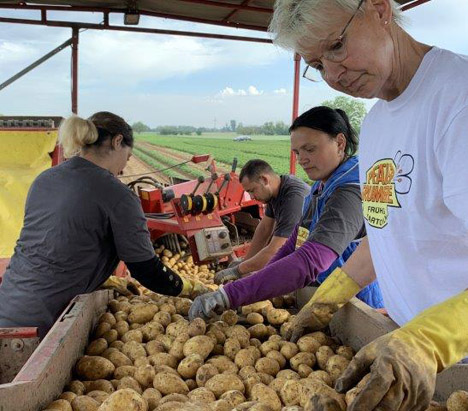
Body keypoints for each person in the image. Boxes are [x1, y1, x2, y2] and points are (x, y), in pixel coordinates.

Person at [268, 0, 468, 409]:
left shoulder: (458, 100)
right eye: (318, 64)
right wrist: (329, 297)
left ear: (378, 10)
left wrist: (431, 340)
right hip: (399, 348)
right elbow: (387, 233)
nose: (334, 76)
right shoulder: (377, 122)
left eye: (337, 46)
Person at [0, 112, 206, 338]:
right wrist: (190, 288)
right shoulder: (117, 195)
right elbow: (146, 270)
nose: (124, 169)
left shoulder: (44, 179)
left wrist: (105, 278)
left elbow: (54, 246)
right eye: (127, 158)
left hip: (7, 306)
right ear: (118, 141)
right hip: (44, 325)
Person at [189, 106, 384, 321]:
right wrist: (257, 279)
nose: (302, 160)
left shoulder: (350, 191)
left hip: (356, 305)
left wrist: (231, 294)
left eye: (310, 149)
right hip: (325, 298)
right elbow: (293, 245)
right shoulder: (320, 188)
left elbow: (310, 261)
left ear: (339, 143)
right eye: (297, 152)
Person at [215, 159, 309, 284]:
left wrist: (239, 270)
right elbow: (264, 229)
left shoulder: (293, 198)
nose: (252, 197)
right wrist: (246, 262)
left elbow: (277, 249)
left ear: (265, 180)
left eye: (252, 190)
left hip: (315, 261)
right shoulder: (274, 191)